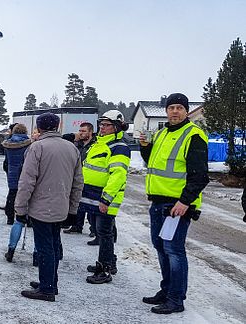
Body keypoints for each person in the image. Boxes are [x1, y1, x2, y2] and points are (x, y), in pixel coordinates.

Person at [139, 93, 209, 314]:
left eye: (180, 107)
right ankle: (167, 289)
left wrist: (184, 202)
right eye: (171, 108)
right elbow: (153, 163)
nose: (175, 111)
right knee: (161, 247)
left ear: (186, 111)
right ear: (166, 111)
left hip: (177, 206)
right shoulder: (160, 134)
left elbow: (199, 176)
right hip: (158, 203)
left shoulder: (194, 135)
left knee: (174, 250)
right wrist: (145, 147)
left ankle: (176, 299)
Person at [14, 113, 83, 301]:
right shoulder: (72, 148)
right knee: (54, 245)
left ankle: (47, 288)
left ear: (40, 127)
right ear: (57, 126)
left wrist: (20, 209)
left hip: (41, 207)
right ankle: (51, 281)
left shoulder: (37, 147)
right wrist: (73, 209)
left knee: (45, 248)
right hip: (61, 206)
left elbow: (27, 181)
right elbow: (78, 182)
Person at [79, 111, 131, 284]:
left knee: (105, 233)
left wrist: (106, 199)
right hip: (92, 195)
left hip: (104, 199)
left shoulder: (119, 147)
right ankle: (109, 262)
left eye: (106, 125)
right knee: (99, 231)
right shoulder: (99, 143)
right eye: (101, 125)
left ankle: (105, 270)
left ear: (117, 127)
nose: (102, 128)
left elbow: (118, 175)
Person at [2, 123, 32, 262]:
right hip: (25, 175)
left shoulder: (8, 144)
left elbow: (6, 163)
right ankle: (37, 256)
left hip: (13, 173)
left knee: (12, 195)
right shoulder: (29, 144)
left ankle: (11, 249)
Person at [63, 122, 96, 235]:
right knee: (78, 202)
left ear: (90, 132)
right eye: (80, 131)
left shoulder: (95, 145)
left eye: (84, 131)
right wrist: (74, 136)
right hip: (77, 176)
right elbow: (65, 138)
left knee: (91, 204)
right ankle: (77, 225)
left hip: (90, 178)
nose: (81, 133)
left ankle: (94, 229)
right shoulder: (77, 144)